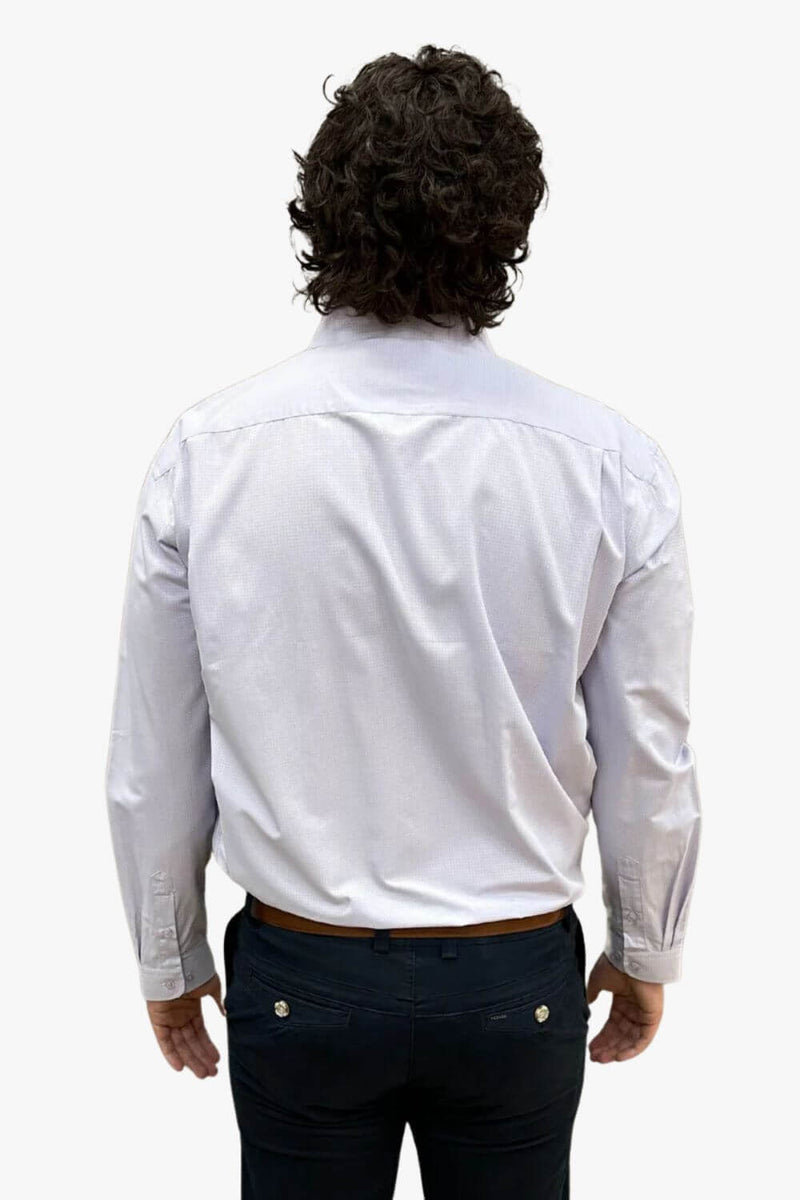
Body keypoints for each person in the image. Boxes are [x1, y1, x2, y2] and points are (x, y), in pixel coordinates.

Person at [105, 43, 702, 1199]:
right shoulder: (610, 467)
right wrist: (646, 945)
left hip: (303, 976)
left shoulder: (209, 454)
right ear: (507, 227)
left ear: (318, 214)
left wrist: (166, 954)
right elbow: (649, 749)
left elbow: (154, 753)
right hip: (512, 980)